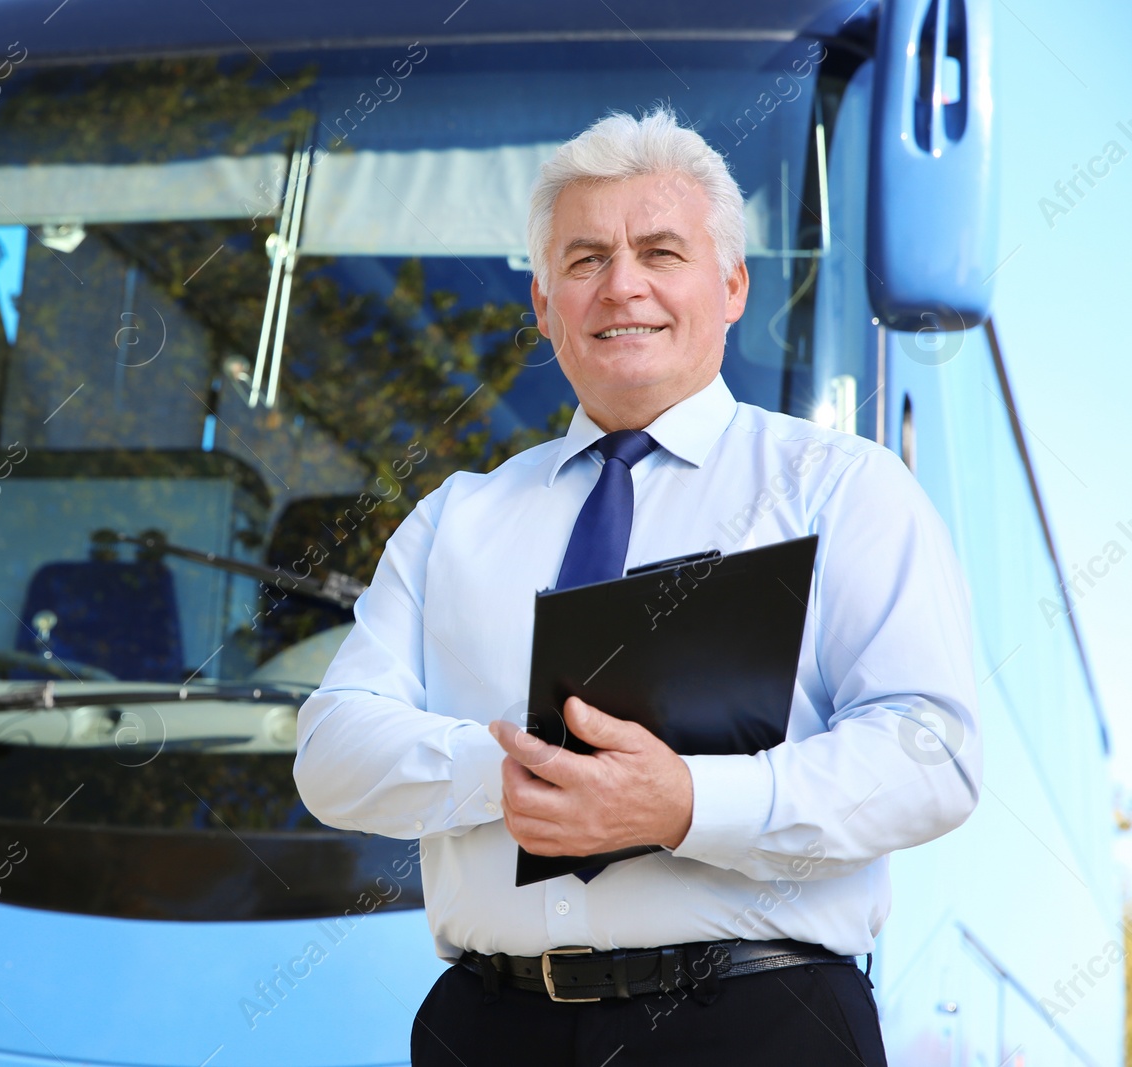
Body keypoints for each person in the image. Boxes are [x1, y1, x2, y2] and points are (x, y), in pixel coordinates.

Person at [292, 107, 981, 1066]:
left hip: (758, 1023)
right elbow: (329, 749)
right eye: (584, 260)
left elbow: (931, 753)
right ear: (543, 304)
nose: (623, 285)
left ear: (732, 286)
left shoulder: (843, 491)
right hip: (488, 1027)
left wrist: (687, 803)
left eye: (661, 251)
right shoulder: (457, 516)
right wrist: (514, 772)